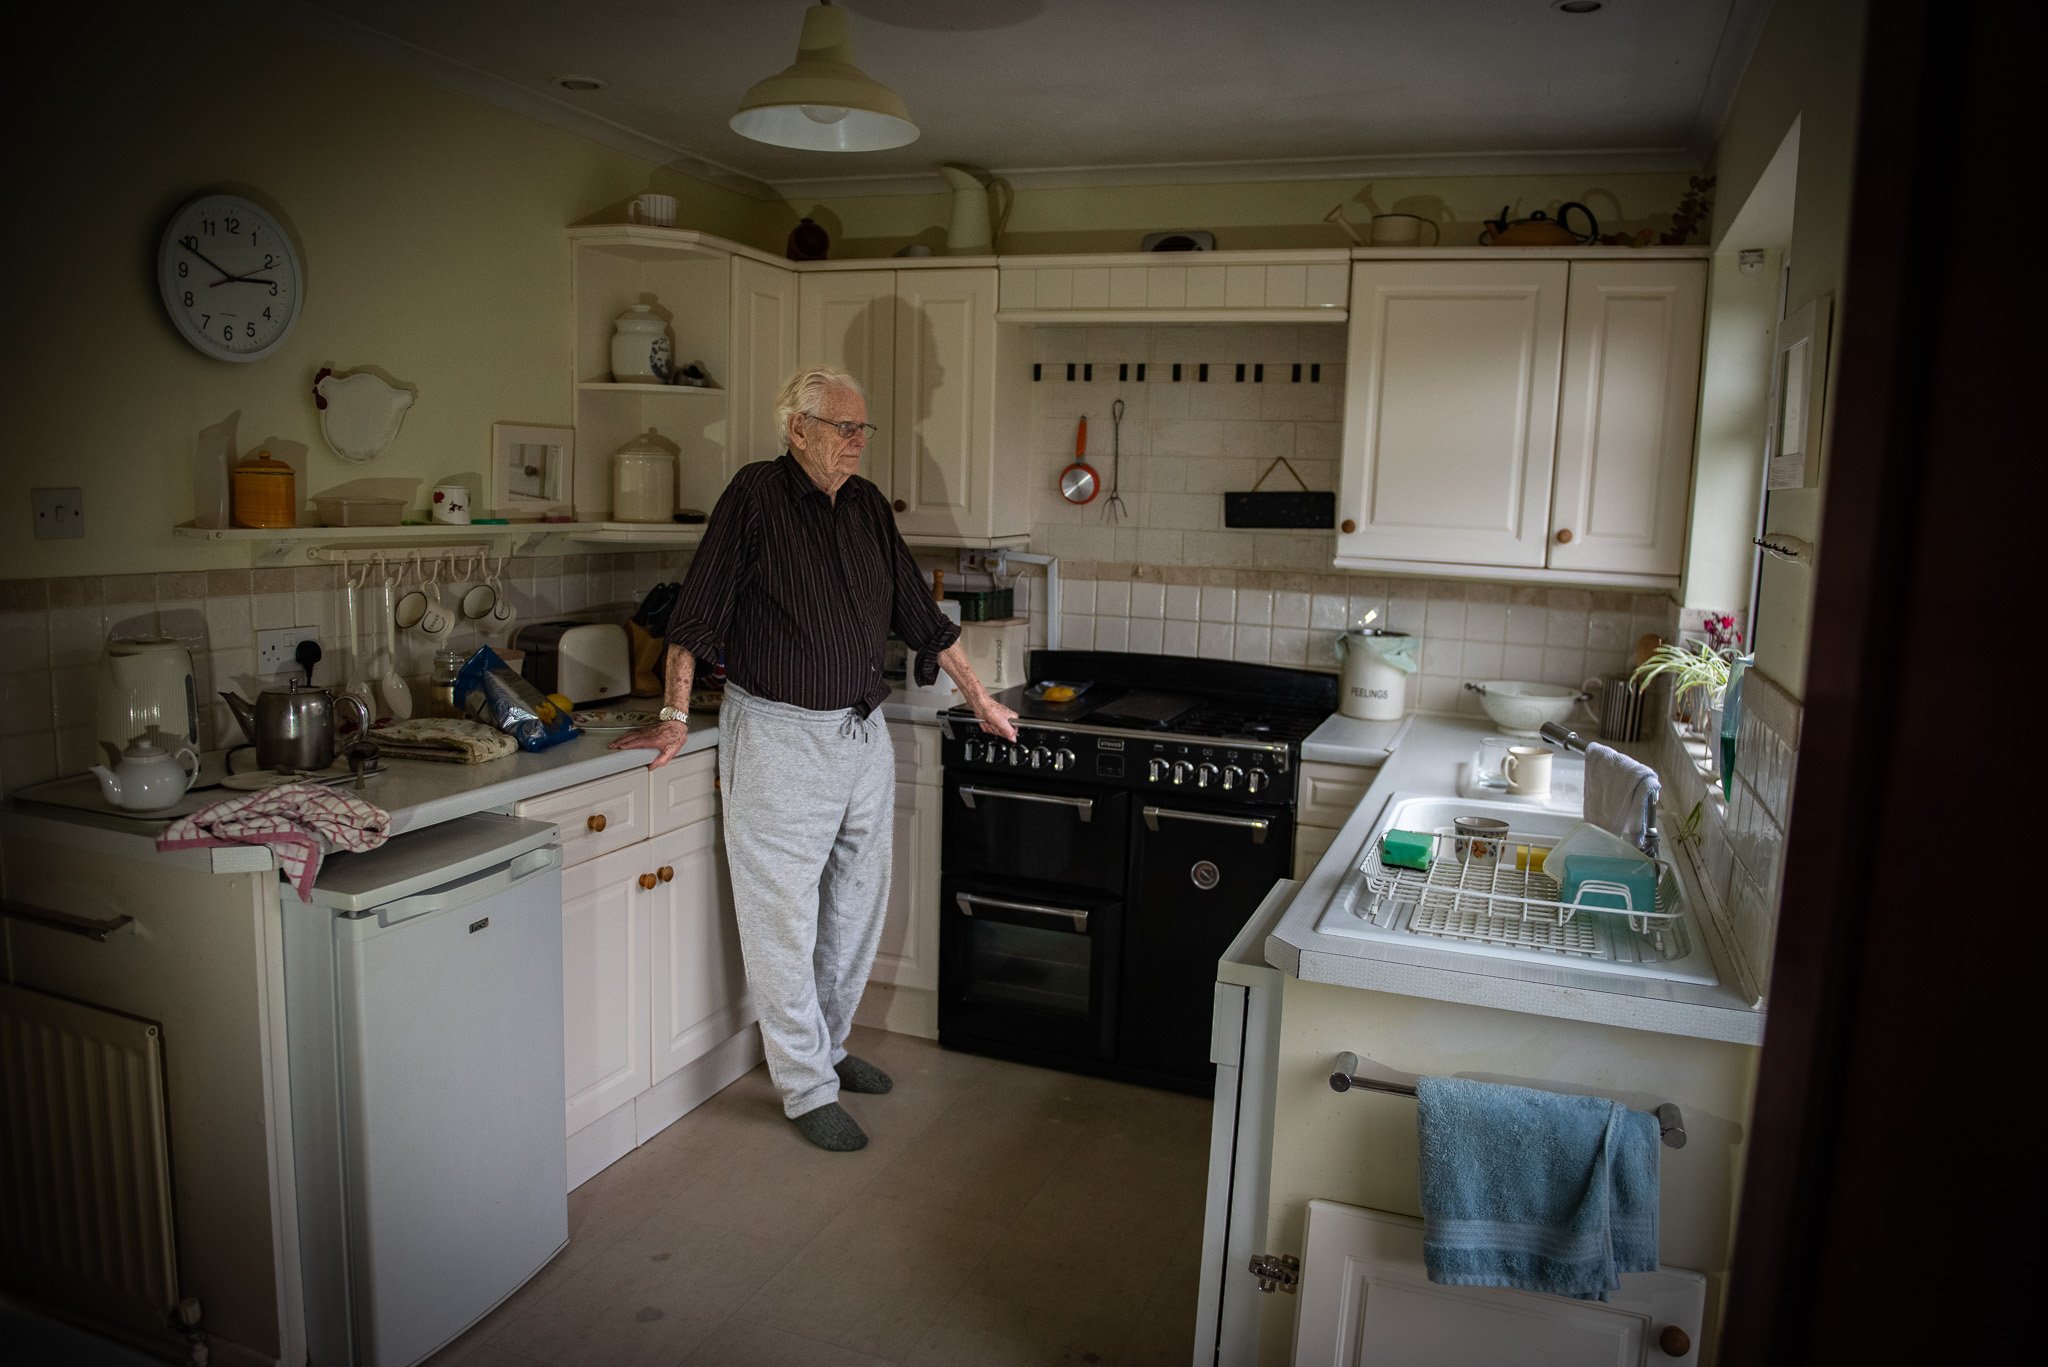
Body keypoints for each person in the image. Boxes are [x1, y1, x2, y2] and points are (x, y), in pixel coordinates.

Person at [610, 366, 1018, 1151]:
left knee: (855, 908)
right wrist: (670, 714)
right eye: (844, 428)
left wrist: (979, 696)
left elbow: (922, 617)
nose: (858, 443)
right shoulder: (755, 496)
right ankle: (803, 1085)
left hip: (862, 735)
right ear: (798, 428)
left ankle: (827, 1048)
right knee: (783, 920)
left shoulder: (864, 507)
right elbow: (696, 616)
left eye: (864, 429)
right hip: (779, 736)